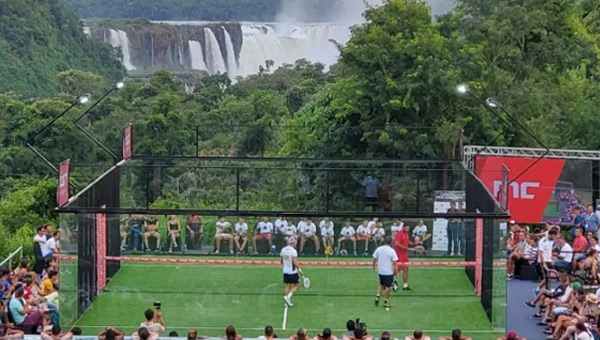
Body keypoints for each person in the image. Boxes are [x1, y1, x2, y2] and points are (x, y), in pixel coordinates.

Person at [373, 236, 398, 308]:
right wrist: (396, 272)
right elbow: (395, 263)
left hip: (380, 271)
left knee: (381, 284)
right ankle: (386, 301)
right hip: (388, 272)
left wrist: (374, 267)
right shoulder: (392, 251)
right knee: (388, 287)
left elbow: (374, 259)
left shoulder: (379, 249)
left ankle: (377, 296)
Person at [281, 237, 301, 307]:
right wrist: (299, 268)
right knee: (297, 285)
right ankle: (288, 297)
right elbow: (295, 262)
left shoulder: (283, 250)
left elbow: (281, 261)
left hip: (285, 271)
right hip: (292, 272)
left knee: (287, 285)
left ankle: (286, 302)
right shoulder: (293, 251)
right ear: (294, 243)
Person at [393, 223, 413, 291]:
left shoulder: (406, 234)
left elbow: (407, 242)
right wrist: (407, 248)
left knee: (406, 269)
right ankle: (392, 283)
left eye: (408, 229)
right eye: (407, 228)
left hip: (405, 255)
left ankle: (405, 285)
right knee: (397, 270)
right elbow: (396, 243)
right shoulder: (399, 233)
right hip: (398, 255)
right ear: (403, 227)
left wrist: (415, 243)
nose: (408, 230)